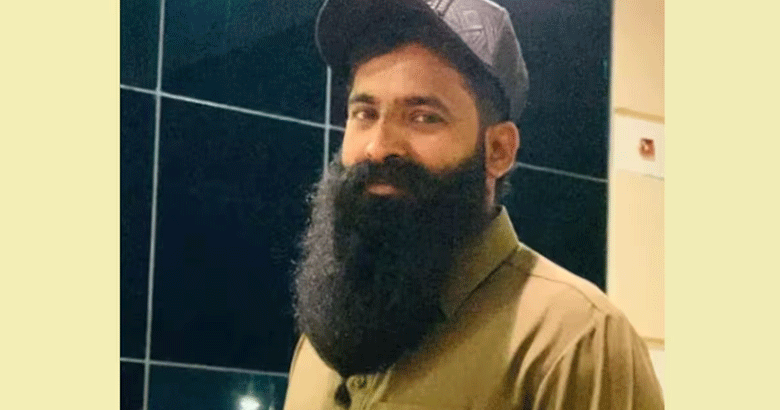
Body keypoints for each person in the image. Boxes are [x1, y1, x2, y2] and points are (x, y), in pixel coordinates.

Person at [284, 0, 664, 408]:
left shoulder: (575, 342)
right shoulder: (321, 348)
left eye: (423, 117)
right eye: (364, 113)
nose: (378, 147)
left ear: (499, 150)